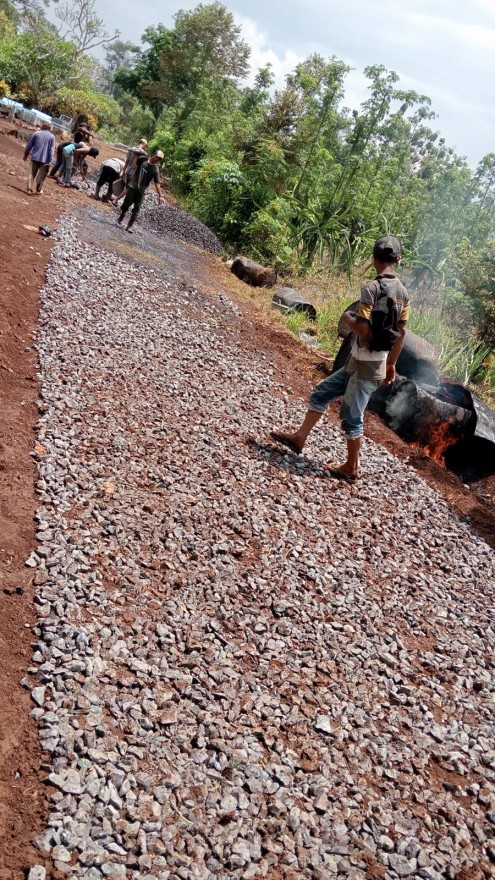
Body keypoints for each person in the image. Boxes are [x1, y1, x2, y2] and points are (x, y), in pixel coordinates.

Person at [270, 236, 411, 483]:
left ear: (374, 259)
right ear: (398, 260)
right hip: (364, 363)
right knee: (321, 393)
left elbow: (364, 329)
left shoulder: (372, 289)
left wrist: (347, 318)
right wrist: (391, 364)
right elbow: (402, 333)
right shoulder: (404, 294)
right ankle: (299, 438)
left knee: (352, 417)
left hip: (365, 369)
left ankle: (351, 468)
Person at [117, 150, 163, 233]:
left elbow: (157, 183)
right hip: (133, 187)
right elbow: (134, 165)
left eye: (159, 159)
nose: (157, 159)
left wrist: (160, 195)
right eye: (157, 157)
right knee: (126, 204)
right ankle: (122, 215)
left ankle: (129, 226)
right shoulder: (143, 159)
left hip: (142, 190)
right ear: (153, 155)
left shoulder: (155, 169)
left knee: (137, 208)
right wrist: (137, 156)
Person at [23, 122, 56, 194]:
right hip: (45, 160)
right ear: (50, 128)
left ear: (42, 127)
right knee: (42, 175)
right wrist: (50, 161)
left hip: (35, 157)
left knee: (31, 173)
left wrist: (26, 155)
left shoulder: (36, 133)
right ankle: (38, 190)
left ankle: (29, 189)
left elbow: (29, 145)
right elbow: (51, 150)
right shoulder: (52, 137)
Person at [113, 138, 148, 205]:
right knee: (128, 188)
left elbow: (127, 161)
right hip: (134, 173)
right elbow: (136, 165)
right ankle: (115, 200)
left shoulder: (132, 149)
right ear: (143, 144)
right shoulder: (142, 153)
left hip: (128, 171)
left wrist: (124, 172)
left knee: (126, 187)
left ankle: (115, 198)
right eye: (145, 145)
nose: (145, 147)